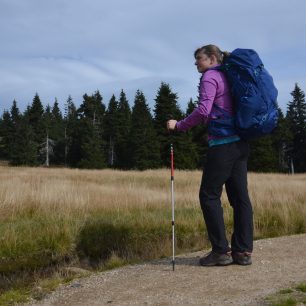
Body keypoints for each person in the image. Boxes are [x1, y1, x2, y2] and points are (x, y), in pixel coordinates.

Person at [167, 44, 253, 266]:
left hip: (222, 145)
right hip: (241, 144)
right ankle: (242, 252)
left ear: (212, 58)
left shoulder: (210, 76)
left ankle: (221, 252)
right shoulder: (230, 76)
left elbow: (204, 110)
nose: (196, 63)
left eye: (199, 58)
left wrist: (179, 125)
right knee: (240, 198)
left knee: (209, 195)